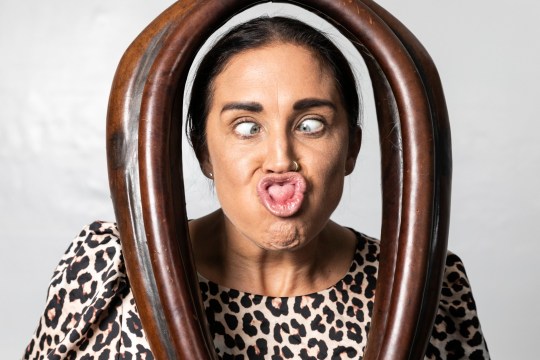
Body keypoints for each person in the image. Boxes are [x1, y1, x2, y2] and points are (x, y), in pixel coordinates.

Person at [23, 16, 489, 359]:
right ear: (204, 152)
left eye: (311, 124)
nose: (281, 159)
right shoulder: (111, 270)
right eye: (247, 127)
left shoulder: (427, 284)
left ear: (352, 149)